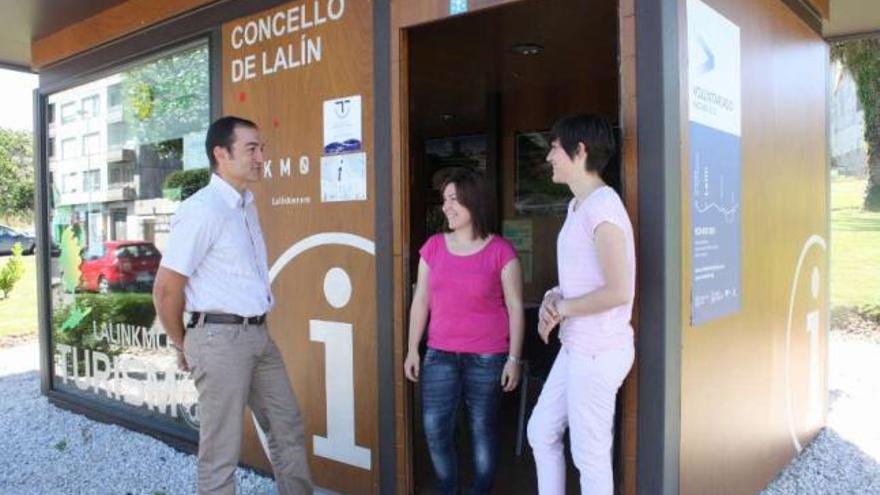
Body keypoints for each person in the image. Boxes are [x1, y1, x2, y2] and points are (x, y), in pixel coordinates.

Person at [153, 116, 312, 495]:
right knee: (221, 449)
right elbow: (165, 289)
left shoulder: (245, 205)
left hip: (259, 335)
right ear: (220, 154)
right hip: (219, 339)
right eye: (251, 149)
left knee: (287, 427)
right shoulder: (202, 209)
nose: (261, 157)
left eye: (262, 149)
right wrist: (183, 343)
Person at [527, 114, 636, 495]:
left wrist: (564, 309)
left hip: (597, 351)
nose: (549, 157)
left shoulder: (602, 207)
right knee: (541, 431)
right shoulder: (578, 207)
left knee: (589, 456)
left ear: (580, 150)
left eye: (555, 147)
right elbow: (582, 278)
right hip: (576, 347)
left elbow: (619, 290)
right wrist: (553, 298)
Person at [404, 168, 524, 495]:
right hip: (440, 353)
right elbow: (421, 300)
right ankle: (447, 486)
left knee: (481, 429)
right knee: (434, 427)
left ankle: (480, 489)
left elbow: (515, 307)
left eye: (454, 199)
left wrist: (513, 358)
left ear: (475, 201)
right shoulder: (433, 247)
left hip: (488, 356)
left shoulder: (502, 251)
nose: (447, 207)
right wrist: (413, 348)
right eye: (445, 200)